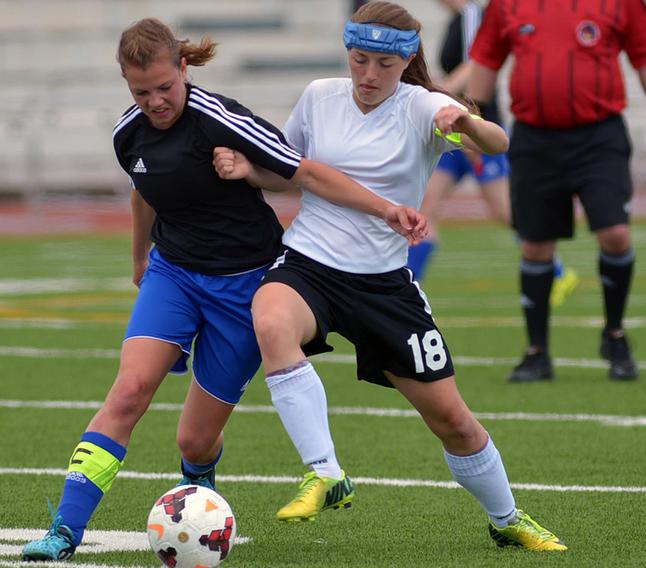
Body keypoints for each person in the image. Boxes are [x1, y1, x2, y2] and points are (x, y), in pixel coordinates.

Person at [20, 17, 425, 562]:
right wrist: (140, 258)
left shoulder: (221, 118)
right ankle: (64, 533)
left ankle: (200, 490)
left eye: (165, 87)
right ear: (126, 83)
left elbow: (303, 172)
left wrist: (387, 209)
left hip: (246, 285)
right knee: (129, 392)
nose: (156, 101)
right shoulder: (127, 133)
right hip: (175, 276)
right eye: (142, 92)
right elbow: (145, 191)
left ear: (183, 67)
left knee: (193, 441)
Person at [213, 1, 566, 552]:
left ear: (405, 62)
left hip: (384, 284)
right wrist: (248, 170)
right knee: (271, 320)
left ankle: (507, 517)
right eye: (359, 60)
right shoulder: (318, 96)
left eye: (383, 63)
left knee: (454, 422)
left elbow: (499, 144)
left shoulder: (425, 106)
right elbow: (290, 174)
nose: (368, 75)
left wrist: (465, 119)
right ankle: (326, 473)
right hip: (310, 264)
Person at [467, 0, 646, 382]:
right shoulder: (506, 4)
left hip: (599, 137)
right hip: (534, 138)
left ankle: (614, 334)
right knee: (535, 246)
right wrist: (472, 122)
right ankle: (537, 352)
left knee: (616, 234)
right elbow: (485, 60)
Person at [407, 0, 579, 310]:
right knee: (424, 208)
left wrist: (440, 93)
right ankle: (407, 286)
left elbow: (478, 64)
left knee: (506, 212)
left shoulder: (473, 14)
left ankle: (556, 271)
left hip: (474, 130)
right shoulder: (458, 20)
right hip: (448, 130)